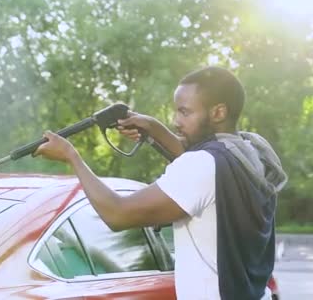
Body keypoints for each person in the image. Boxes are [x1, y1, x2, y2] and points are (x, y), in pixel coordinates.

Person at [35, 66, 287, 300]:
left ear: (218, 112)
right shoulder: (251, 152)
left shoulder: (203, 164)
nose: (176, 121)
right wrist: (152, 128)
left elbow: (117, 214)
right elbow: (201, 165)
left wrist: (72, 157)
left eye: (185, 112)